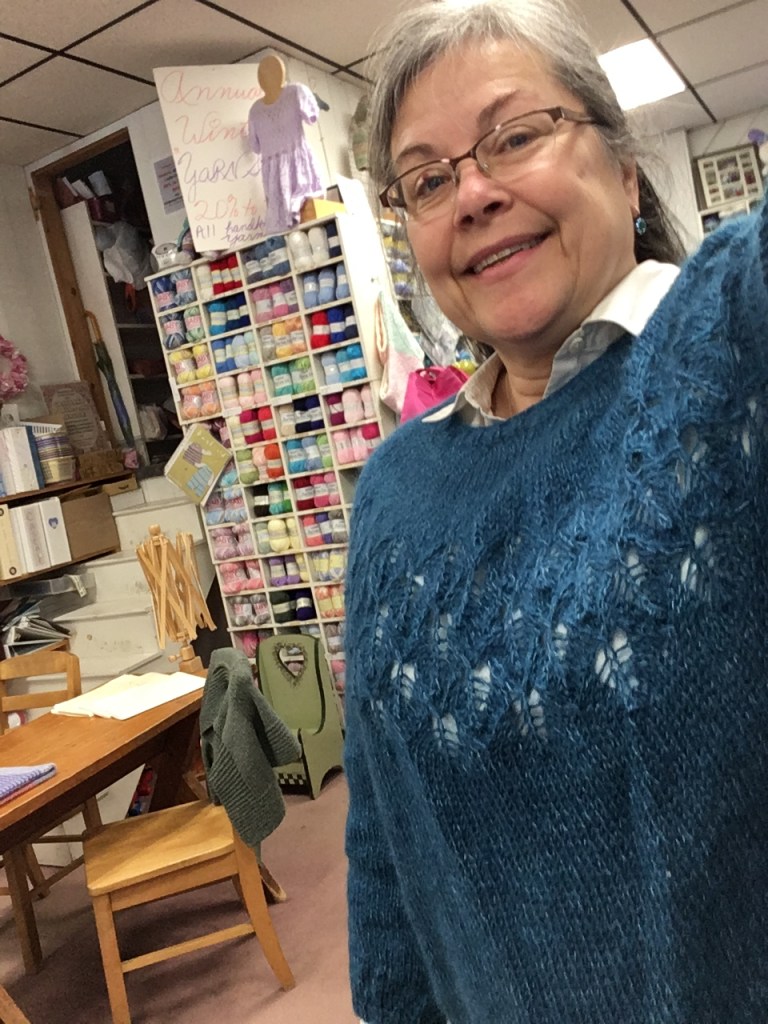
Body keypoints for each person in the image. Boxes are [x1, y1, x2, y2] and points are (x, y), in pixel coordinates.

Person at [343, 1, 768, 1022]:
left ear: (624, 170)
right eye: (427, 180)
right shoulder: (393, 487)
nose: (473, 194)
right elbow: (384, 841)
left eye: (514, 136)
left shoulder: (731, 346)